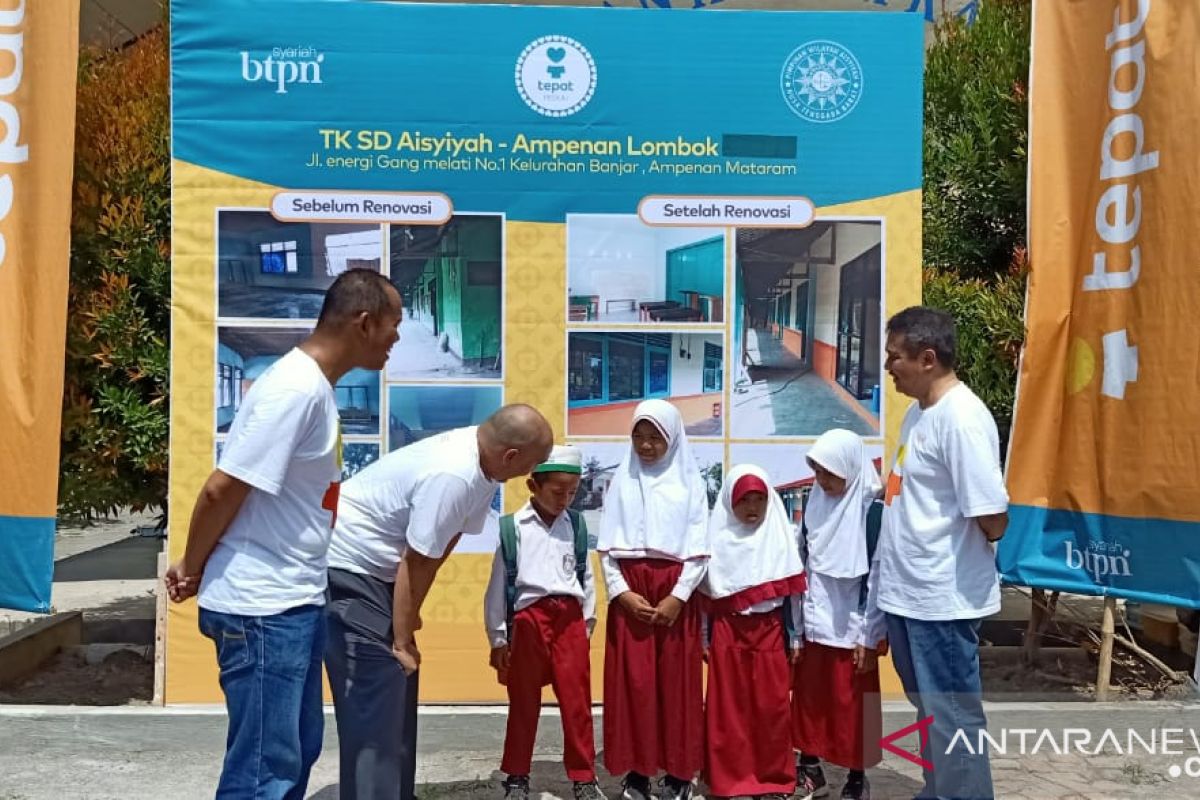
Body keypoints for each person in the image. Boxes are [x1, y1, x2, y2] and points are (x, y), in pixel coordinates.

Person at [165, 269, 403, 799]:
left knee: (292, 752)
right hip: (262, 608)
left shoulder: (311, 387)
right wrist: (192, 565)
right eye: (394, 325)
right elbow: (221, 489)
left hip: (291, 602)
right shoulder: (294, 390)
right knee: (262, 772)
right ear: (364, 324)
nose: (397, 338)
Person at [323, 404, 553, 800]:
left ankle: (396, 793)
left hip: (382, 575)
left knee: (401, 681)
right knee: (378, 687)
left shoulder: (483, 465)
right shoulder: (454, 473)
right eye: (532, 464)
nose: (529, 474)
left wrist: (408, 619)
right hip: (347, 567)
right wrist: (399, 639)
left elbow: (443, 544)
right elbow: (417, 560)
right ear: (510, 456)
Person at [872, 306, 1009, 800]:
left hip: (942, 599)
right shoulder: (918, 414)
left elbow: (991, 518)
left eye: (895, 357)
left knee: (952, 714)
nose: (888, 367)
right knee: (931, 711)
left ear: (927, 358)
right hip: (909, 595)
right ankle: (940, 790)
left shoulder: (963, 419)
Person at [599, 399, 710, 800]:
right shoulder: (621, 482)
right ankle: (637, 773)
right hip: (631, 597)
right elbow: (608, 551)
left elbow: (699, 550)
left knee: (677, 687)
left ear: (673, 439)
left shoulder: (690, 484)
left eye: (656, 438)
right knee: (634, 686)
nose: (646, 447)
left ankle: (680, 774)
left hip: (675, 595)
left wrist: (678, 597)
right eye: (639, 437)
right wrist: (621, 593)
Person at [483, 445, 605, 800]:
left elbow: (586, 580)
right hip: (529, 620)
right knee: (523, 701)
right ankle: (517, 776)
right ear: (532, 486)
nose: (564, 499)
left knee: (577, 703)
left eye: (571, 492)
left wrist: (586, 625)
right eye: (557, 492)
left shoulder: (577, 526)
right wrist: (498, 638)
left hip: (569, 620)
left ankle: (583, 777)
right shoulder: (513, 528)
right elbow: (497, 586)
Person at [701, 465, 806, 800]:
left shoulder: (781, 536)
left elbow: (793, 595)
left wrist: (796, 636)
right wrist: (705, 638)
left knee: (771, 709)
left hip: (769, 630)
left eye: (759, 499)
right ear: (730, 501)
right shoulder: (715, 540)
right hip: (728, 631)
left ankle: (773, 779)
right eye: (744, 499)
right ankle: (729, 780)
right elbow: (706, 598)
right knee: (727, 710)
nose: (752, 507)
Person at [792, 429, 885, 800]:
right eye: (818, 473)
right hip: (816, 621)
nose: (823, 481)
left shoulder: (872, 513)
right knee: (811, 700)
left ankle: (857, 777)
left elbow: (877, 577)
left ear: (851, 468)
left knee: (854, 706)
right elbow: (803, 562)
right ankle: (810, 767)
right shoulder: (814, 503)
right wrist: (797, 628)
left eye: (830, 473)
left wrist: (868, 633)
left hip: (853, 627)